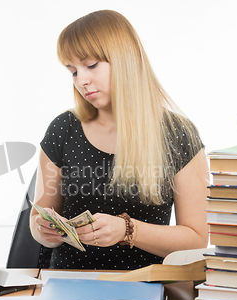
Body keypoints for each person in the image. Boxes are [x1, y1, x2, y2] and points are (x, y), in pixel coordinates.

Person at [29, 9, 209, 270]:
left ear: (126, 60)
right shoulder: (63, 128)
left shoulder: (177, 133)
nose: (82, 81)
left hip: (144, 287)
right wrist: (42, 230)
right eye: (73, 72)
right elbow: (39, 218)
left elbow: (197, 239)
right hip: (68, 285)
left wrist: (127, 230)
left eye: (90, 65)